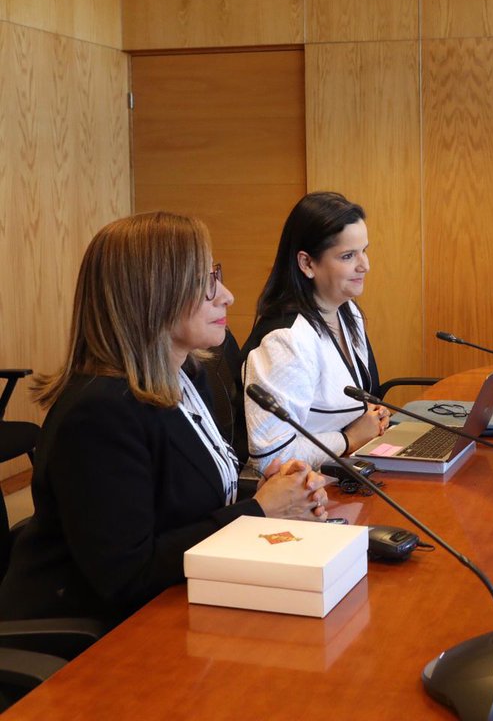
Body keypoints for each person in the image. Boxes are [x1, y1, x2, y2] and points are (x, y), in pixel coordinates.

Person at [0, 212, 328, 628]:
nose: (226, 295)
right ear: (151, 295)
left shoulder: (186, 376)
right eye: (205, 283)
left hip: (174, 602)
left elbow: (183, 499)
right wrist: (259, 510)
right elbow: (127, 574)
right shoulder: (98, 414)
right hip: (87, 638)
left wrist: (272, 491)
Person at [242, 192, 389, 468]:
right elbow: (271, 458)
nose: (364, 265)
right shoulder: (284, 340)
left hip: (347, 469)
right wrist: (347, 439)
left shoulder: (348, 310)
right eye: (348, 256)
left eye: (364, 250)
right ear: (307, 264)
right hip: (306, 490)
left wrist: (373, 416)